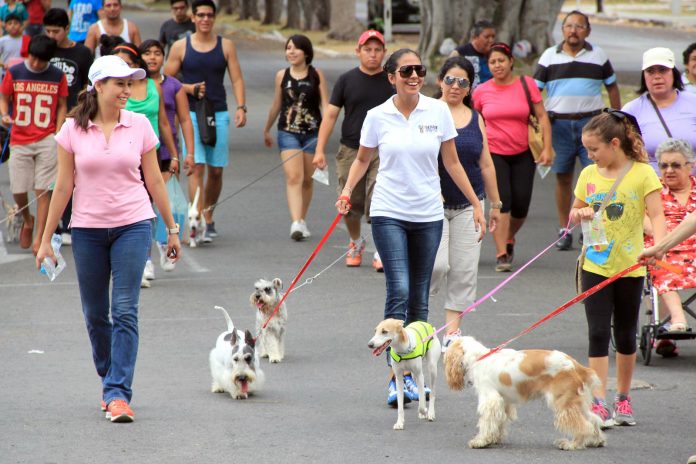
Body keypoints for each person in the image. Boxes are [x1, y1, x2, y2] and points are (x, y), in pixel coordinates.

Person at [335, 48, 486, 406]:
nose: (414, 75)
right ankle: (395, 380)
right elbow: (362, 159)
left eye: (419, 69)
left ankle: (415, 377)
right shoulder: (377, 115)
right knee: (399, 289)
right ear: (392, 78)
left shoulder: (437, 111)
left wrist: (477, 203)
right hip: (388, 211)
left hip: (428, 214)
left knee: (419, 299)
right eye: (406, 71)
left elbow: (451, 161)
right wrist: (345, 192)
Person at [35, 55, 182, 423]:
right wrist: (45, 238)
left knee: (125, 310)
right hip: (87, 231)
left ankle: (117, 393)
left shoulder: (140, 125)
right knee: (95, 315)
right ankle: (109, 378)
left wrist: (172, 229)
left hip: (134, 225)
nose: (127, 91)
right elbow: (64, 185)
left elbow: (155, 180)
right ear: (98, 86)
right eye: (120, 84)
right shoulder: (72, 130)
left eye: (130, 84)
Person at [571, 111, 666, 428]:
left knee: (625, 335)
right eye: (587, 150)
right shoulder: (588, 175)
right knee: (597, 333)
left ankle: (623, 398)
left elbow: (658, 216)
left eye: (594, 149)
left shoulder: (643, 174)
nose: (590, 155)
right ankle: (598, 401)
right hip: (595, 265)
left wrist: (658, 247)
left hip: (631, 267)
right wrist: (581, 212)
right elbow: (574, 213)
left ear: (615, 143)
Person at [534, 10, 621, 251]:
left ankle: (592, 229)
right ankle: (565, 228)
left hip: (592, 125)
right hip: (558, 125)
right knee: (563, 177)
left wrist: (618, 119)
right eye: (569, 26)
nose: (573, 30)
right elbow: (534, 93)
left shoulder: (598, 55)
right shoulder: (549, 56)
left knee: (597, 177)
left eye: (579, 26)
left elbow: (612, 87)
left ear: (588, 31)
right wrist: (536, 127)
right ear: (562, 30)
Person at [430, 56, 501, 349]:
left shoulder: (476, 118)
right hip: (431, 205)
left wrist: (495, 204)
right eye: (450, 80)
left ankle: (451, 334)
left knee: (464, 270)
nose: (455, 86)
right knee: (436, 266)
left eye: (463, 82)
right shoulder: (428, 112)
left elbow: (485, 164)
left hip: (470, 205)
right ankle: (417, 317)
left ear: (470, 88)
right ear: (439, 81)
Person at [164, 0, 247, 243]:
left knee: (216, 170)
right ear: (193, 17)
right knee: (196, 166)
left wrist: (241, 106)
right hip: (189, 112)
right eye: (200, 15)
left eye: (209, 15)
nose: (205, 19)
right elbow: (165, 79)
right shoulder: (181, 47)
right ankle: (196, 219)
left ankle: (209, 216)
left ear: (214, 18)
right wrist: (188, 88)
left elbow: (237, 79)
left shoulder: (226, 46)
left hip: (217, 111)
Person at [313, 30, 393, 268]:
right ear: (358, 52)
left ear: (384, 53)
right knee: (349, 203)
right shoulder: (347, 80)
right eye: (367, 49)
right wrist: (319, 150)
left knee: (381, 199)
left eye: (377, 50)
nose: (373, 54)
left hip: (383, 150)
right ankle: (356, 241)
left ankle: (381, 250)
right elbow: (330, 115)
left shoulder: (391, 80)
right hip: (351, 149)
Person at [473, 42, 552, 272]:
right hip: (493, 154)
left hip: (523, 152)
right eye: (492, 62)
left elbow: (542, 117)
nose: (497, 65)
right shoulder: (482, 91)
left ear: (510, 62)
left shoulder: (526, 85)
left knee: (520, 206)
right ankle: (501, 254)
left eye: (501, 60)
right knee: (502, 202)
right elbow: (475, 120)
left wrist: (548, 148)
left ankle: (508, 236)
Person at [112, 42, 179, 286]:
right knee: (132, 210)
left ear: (137, 64)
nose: (124, 71)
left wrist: (173, 154)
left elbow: (163, 123)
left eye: (128, 65)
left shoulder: (153, 87)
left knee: (147, 209)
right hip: (123, 156)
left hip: (151, 154)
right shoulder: (114, 91)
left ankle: (148, 256)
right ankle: (141, 260)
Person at [0, 34, 68, 254]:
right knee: (18, 188)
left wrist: (58, 131)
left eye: (42, 60)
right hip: (19, 137)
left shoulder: (57, 75)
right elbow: (4, 97)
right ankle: (27, 219)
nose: (36, 63)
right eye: (34, 58)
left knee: (43, 190)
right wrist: (4, 114)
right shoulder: (15, 72)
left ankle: (40, 237)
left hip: (47, 137)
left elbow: (62, 104)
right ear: (28, 53)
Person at [263, 34, 328, 241]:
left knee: (308, 180)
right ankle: (296, 222)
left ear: (306, 52)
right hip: (287, 132)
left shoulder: (316, 74)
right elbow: (276, 104)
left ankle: (302, 218)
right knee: (294, 177)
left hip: (312, 133)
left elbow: (325, 105)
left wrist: (325, 133)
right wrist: (267, 128)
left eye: (296, 48)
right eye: (288, 48)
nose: (291, 52)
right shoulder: (281, 75)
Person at [141, 39, 195, 271]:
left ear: (164, 58)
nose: (152, 58)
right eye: (147, 53)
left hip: (166, 152)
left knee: (165, 203)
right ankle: (146, 259)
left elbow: (184, 120)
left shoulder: (174, 86)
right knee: (144, 204)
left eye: (157, 53)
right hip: (141, 152)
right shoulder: (134, 85)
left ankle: (165, 244)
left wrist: (188, 153)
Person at [44, 7, 93, 245]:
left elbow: (88, 86)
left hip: (75, 119)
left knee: (72, 173)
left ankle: (70, 220)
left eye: (56, 31)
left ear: (67, 29)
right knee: (51, 175)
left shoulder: (83, 53)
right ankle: (55, 222)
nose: (52, 36)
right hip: (46, 121)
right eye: (48, 31)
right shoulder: (42, 49)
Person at [642, 139, 695, 357]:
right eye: (663, 166)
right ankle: (677, 320)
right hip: (665, 248)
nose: (669, 170)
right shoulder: (654, 191)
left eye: (675, 165)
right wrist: (664, 236)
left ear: (689, 166)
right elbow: (642, 220)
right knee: (661, 265)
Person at [622, 47, 696, 175]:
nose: (657, 77)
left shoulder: (693, 102)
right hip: (652, 188)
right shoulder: (630, 110)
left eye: (663, 70)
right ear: (643, 75)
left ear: (673, 73)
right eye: (650, 71)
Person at [449, 19, 495, 89]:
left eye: (493, 37)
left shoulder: (495, 54)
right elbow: (445, 77)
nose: (491, 40)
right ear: (475, 37)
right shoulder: (460, 53)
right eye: (487, 37)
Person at [0, 14, 23, 80]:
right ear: (6, 27)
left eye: (16, 23)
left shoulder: (26, 40)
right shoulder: (2, 41)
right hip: (7, 73)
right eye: (10, 24)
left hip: (23, 73)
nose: (13, 26)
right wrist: (3, 65)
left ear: (20, 25)